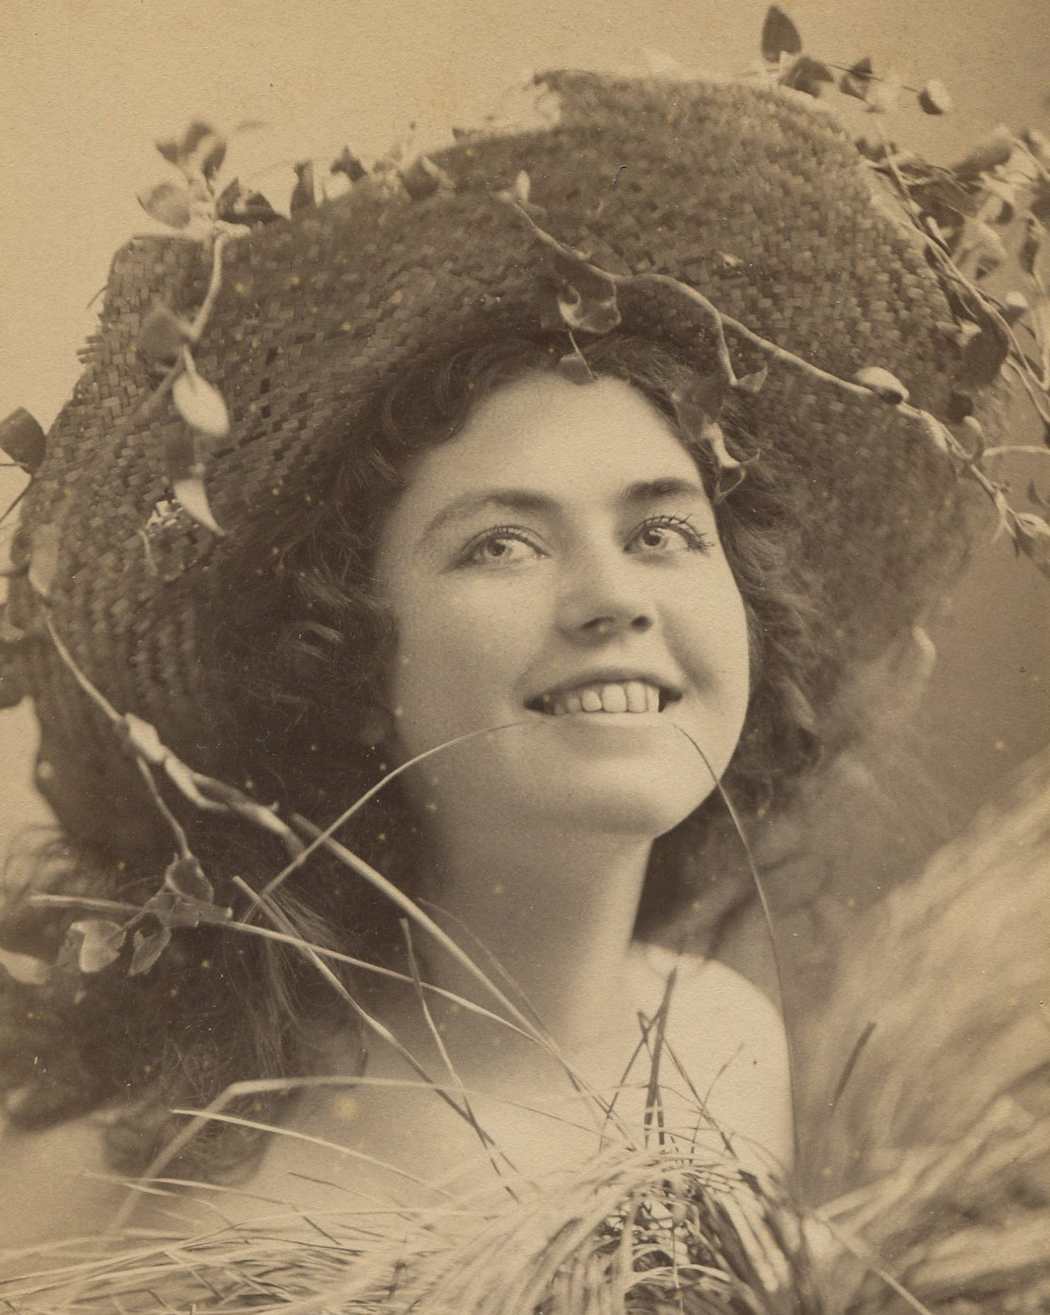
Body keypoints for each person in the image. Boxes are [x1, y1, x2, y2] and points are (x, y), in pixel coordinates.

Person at [0, 69, 1044, 1307]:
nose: (614, 598)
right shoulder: (149, 1184)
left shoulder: (723, 1047)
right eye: (502, 543)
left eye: (664, 531)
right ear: (347, 658)